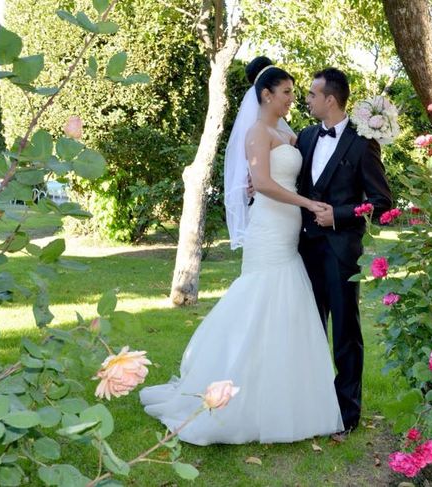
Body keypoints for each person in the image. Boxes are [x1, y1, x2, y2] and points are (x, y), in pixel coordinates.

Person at [139, 57, 343, 445]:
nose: (292, 99)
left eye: (294, 93)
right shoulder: (256, 132)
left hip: (288, 230)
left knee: (286, 305)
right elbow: (262, 183)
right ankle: (231, 390)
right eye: (286, 92)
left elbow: (295, 172)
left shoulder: (288, 132)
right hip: (268, 226)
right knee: (259, 300)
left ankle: (286, 397)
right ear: (266, 94)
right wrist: (307, 203)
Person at [297, 68, 393, 436]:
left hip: (341, 253)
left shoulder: (362, 142)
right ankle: (310, 403)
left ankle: (347, 414)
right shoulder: (306, 137)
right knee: (307, 329)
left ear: (330, 100)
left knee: (345, 333)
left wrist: (338, 215)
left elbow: (382, 203)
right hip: (302, 250)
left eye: (312, 94)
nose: (307, 99)